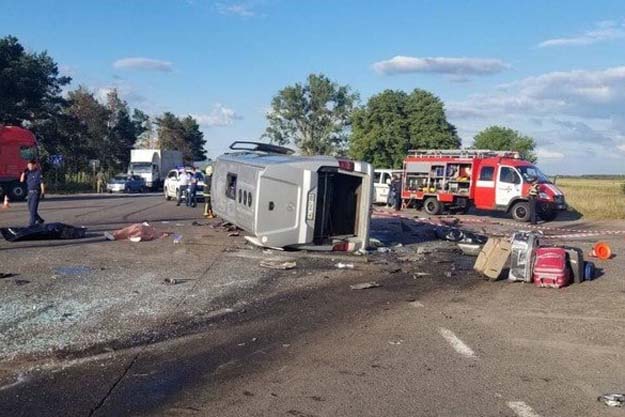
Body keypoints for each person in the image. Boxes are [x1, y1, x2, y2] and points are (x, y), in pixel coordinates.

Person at [20, 160, 45, 226]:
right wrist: (23, 173)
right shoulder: (28, 173)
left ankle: (31, 225)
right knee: (30, 209)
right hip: (29, 193)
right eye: (28, 165)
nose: (29, 166)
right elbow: (21, 180)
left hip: (36, 193)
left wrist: (43, 192)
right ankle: (40, 220)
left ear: (34, 165)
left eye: (31, 165)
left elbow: (41, 183)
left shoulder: (38, 172)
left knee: (33, 210)